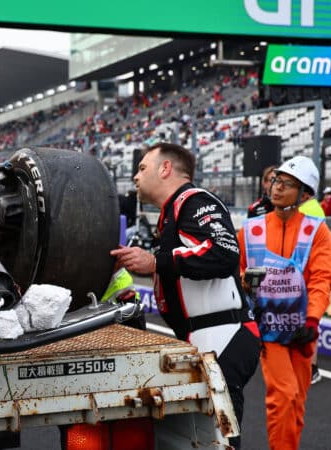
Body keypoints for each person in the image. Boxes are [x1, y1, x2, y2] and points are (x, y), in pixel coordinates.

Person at [111, 142, 260, 450]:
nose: (135, 178)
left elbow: (224, 253)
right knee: (194, 441)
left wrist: (156, 262)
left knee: (219, 442)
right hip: (204, 341)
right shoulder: (172, 213)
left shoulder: (193, 200)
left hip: (224, 338)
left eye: (141, 168)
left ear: (165, 169)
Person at [237, 155, 331, 450]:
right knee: (283, 396)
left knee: (297, 403)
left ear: (305, 194)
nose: (276, 188)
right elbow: (237, 272)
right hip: (268, 328)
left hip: (303, 329)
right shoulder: (250, 230)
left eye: (286, 184)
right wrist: (246, 285)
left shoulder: (318, 231)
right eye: (276, 180)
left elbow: (321, 279)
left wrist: (313, 320)